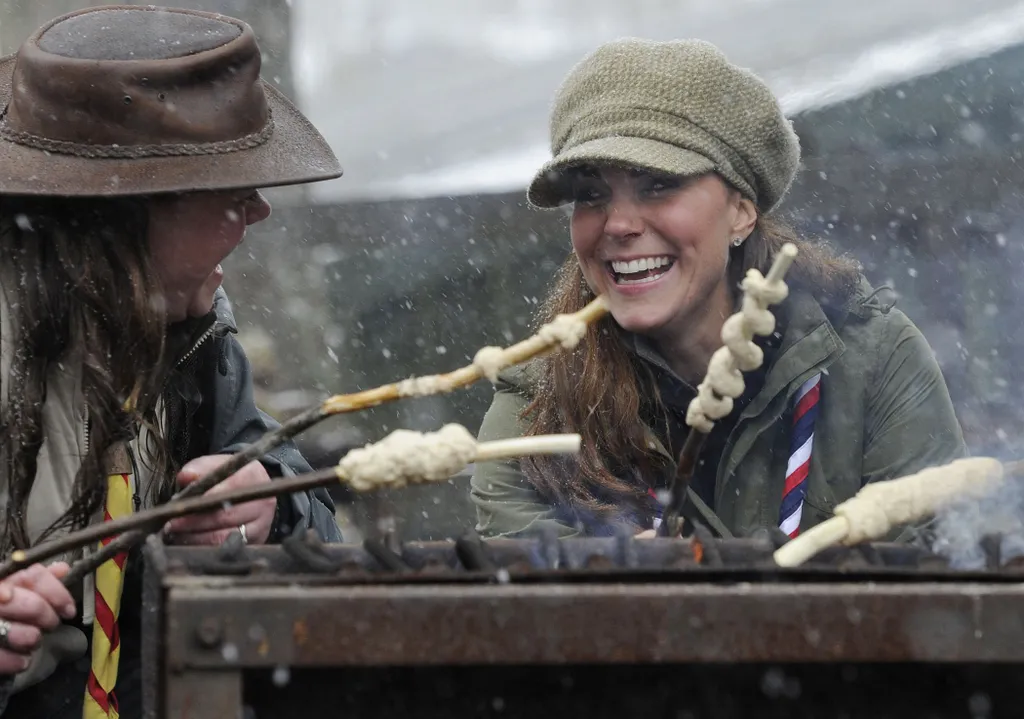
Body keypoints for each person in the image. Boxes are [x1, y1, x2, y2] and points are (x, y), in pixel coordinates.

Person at [471, 38, 967, 541]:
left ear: (741, 210)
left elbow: (934, 583)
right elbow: (524, 598)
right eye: (591, 194)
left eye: (657, 185)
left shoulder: (873, 361)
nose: (617, 223)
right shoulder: (540, 400)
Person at [0, 6, 344, 717]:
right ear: (123, 211)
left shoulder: (197, 345)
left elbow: (309, 517)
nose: (257, 211)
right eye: (229, 189)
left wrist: (267, 508)